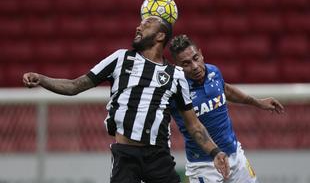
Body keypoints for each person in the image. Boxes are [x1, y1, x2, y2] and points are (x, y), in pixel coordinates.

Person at [23, 16, 230, 183]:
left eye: (146, 24)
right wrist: (42, 79)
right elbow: (75, 86)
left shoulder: (176, 75)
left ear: (160, 36)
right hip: (125, 155)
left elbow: (193, 124)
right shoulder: (121, 58)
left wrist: (215, 152)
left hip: (158, 156)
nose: (139, 27)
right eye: (140, 24)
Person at [169, 34, 285, 183]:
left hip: (234, 155)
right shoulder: (176, 91)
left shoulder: (213, 72)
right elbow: (194, 127)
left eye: (196, 58)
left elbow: (225, 90)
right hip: (204, 165)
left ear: (201, 53)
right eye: (186, 64)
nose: (195, 66)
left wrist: (258, 102)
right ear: (177, 67)